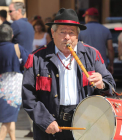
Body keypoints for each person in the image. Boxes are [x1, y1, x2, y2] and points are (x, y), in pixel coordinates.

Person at [22, 8, 116, 140]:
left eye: (71, 32)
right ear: (53, 33)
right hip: (50, 125)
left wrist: (102, 84)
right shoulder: (37, 58)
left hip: (85, 123)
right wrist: (44, 120)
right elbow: (28, 96)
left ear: (78, 35)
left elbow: (111, 85)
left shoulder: (92, 54)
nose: (67, 37)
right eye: (62, 32)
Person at [0, 24, 29, 140]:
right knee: (8, 119)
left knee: (10, 117)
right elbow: (28, 64)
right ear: (11, 35)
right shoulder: (17, 48)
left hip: (2, 88)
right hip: (13, 89)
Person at [78, 7, 114, 74]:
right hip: (102, 65)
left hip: (85, 65)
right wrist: (111, 64)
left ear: (88, 17)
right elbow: (110, 49)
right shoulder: (106, 30)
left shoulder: (81, 31)